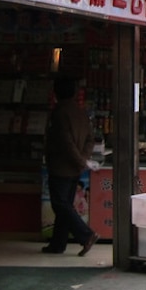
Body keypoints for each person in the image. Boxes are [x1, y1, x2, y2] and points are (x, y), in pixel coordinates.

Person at [42, 77, 99, 256]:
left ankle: (86, 234)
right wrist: (83, 159)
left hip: (61, 166)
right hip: (75, 168)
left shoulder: (59, 113)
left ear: (56, 93)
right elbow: (90, 139)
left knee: (60, 204)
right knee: (64, 205)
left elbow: (65, 142)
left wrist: (79, 160)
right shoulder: (80, 112)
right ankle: (58, 244)